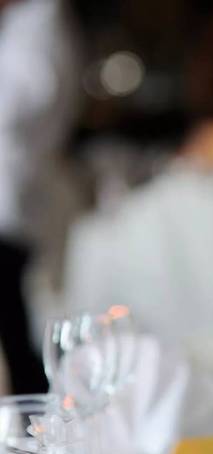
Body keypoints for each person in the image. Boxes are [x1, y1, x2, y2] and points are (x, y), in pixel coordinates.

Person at [0, 0, 79, 392]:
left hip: (16, 203)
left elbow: (17, 103)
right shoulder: (24, 26)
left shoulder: (39, 26)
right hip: (16, 197)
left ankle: (35, 434)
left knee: (17, 332)